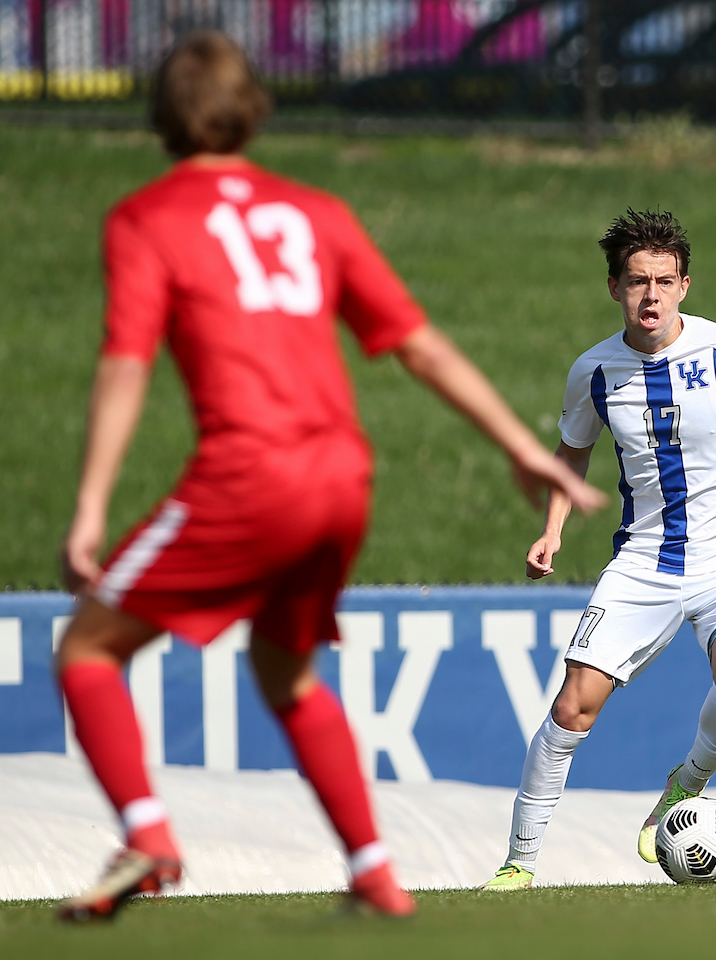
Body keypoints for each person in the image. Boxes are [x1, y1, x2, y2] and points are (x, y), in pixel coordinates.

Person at [55, 30, 604, 922]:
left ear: (159, 118)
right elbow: (418, 345)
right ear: (253, 109)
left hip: (248, 472)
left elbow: (124, 363)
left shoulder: (145, 218)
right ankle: (375, 872)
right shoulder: (315, 212)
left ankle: (148, 835)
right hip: (341, 478)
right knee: (286, 670)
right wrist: (520, 444)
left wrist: (88, 508)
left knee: (85, 649)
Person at [480, 209, 716, 890]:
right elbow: (569, 453)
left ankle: (684, 785)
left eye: (664, 280)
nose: (651, 296)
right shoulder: (594, 371)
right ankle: (519, 860)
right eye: (637, 281)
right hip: (643, 561)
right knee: (574, 704)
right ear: (614, 288)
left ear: (685, 285)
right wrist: (552, 529)